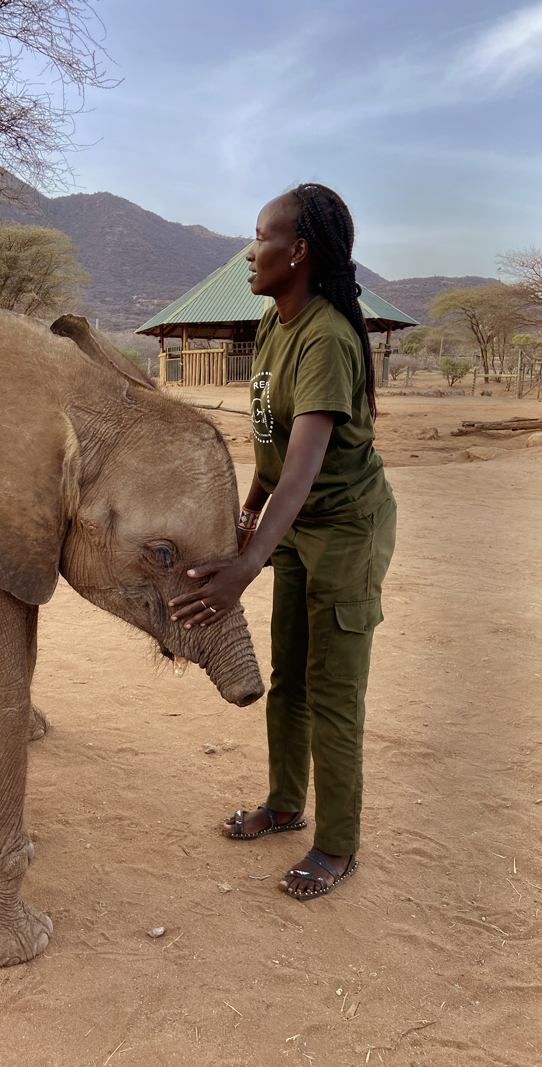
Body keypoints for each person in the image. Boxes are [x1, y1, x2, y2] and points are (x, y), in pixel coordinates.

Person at [168, 183, 396, 900]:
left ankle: (337, 845)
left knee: (332, 690)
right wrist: (247, 514)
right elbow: (272, 451)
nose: (249, 250)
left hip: (344, 534)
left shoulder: (325, 337)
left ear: (297, 251)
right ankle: (285, 802)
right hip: (294, 530)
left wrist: (242, 567)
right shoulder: (274, 323)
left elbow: (302, 473)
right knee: (289, 677)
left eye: (261, 235)